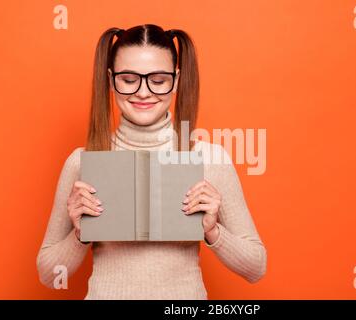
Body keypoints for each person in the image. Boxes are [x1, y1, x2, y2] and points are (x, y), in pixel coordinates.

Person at [36, 24, 267, 299]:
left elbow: (256, 267)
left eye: (158, 80)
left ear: (176, 80)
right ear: (111, 80)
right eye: (128, 79)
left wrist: (213, 231)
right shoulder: (81, 162)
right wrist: (78, 234)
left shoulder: (209, 158)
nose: (143, 92)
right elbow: (48, 274)